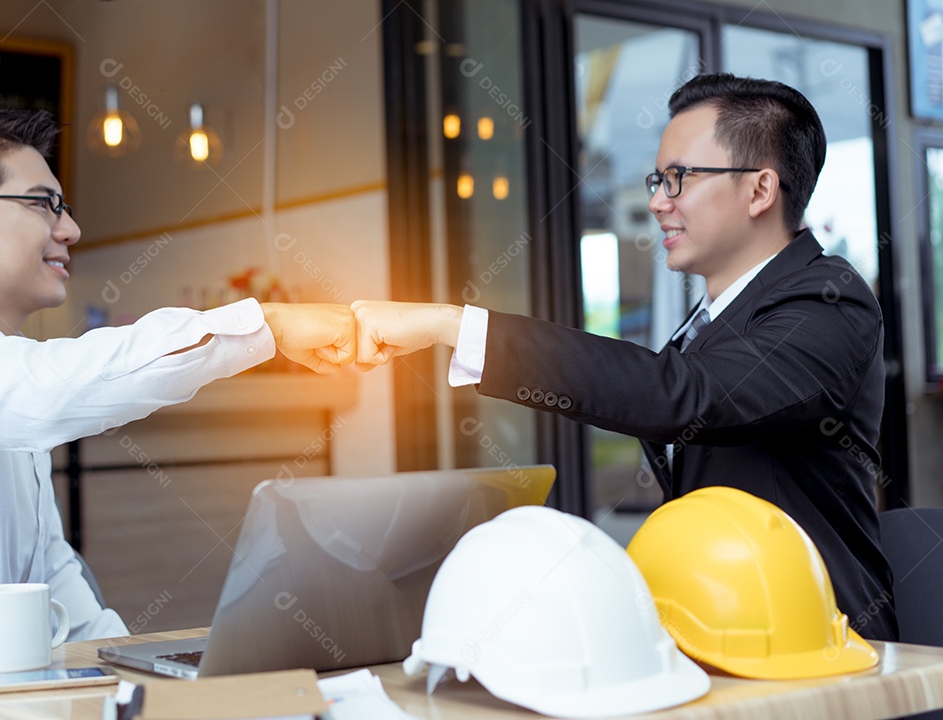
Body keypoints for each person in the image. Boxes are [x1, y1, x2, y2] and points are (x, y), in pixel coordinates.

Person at [351, 73, 898, 641]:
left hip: (824, 644)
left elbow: (686, 395)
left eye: (679, 178)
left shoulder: (830, 301)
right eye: (657, 179)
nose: (658, 202)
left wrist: (454, 326)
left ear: (760, 190)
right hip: (720, 631)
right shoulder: (708, 324)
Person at [0, 103, 356, 666]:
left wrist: (148, 672)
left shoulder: (3, 377)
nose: (69, 229)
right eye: (43, 205)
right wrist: (268, 326)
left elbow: (54, 584)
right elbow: (41, 391)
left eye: (64, 208)